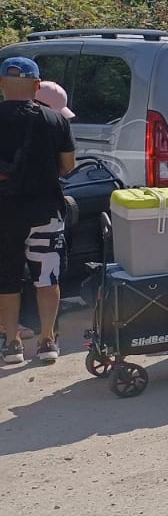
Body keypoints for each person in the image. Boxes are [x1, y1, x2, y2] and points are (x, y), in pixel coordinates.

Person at [0, 58, 76, 366]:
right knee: (47, 276)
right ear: (36, 86)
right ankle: (47, 341)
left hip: (4, 213)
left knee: (6, 279)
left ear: (1, 84)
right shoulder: (55, 120)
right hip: (46, 210)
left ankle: (11, 345)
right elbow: (68, 166)